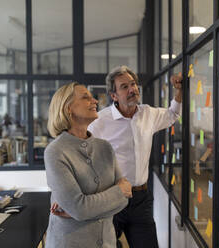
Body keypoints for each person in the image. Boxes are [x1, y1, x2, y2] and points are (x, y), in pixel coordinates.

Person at [88, 65, 183, 247]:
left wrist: (179, 91)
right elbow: (82, 153)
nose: (132, 89)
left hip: (141, 199)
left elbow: (172, 114)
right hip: (112, 199)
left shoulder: (147, 113)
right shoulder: (99, 122)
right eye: (124, 87)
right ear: (113, 95)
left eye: (133, 84)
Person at [44, 82, 132, 248]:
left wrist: (82, 211)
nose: (95, 101)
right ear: (68, 108)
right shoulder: (55, 152)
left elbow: (124, 200)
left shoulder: (105, 147)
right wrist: (118, 192)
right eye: (86, 97)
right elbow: (80, 208)